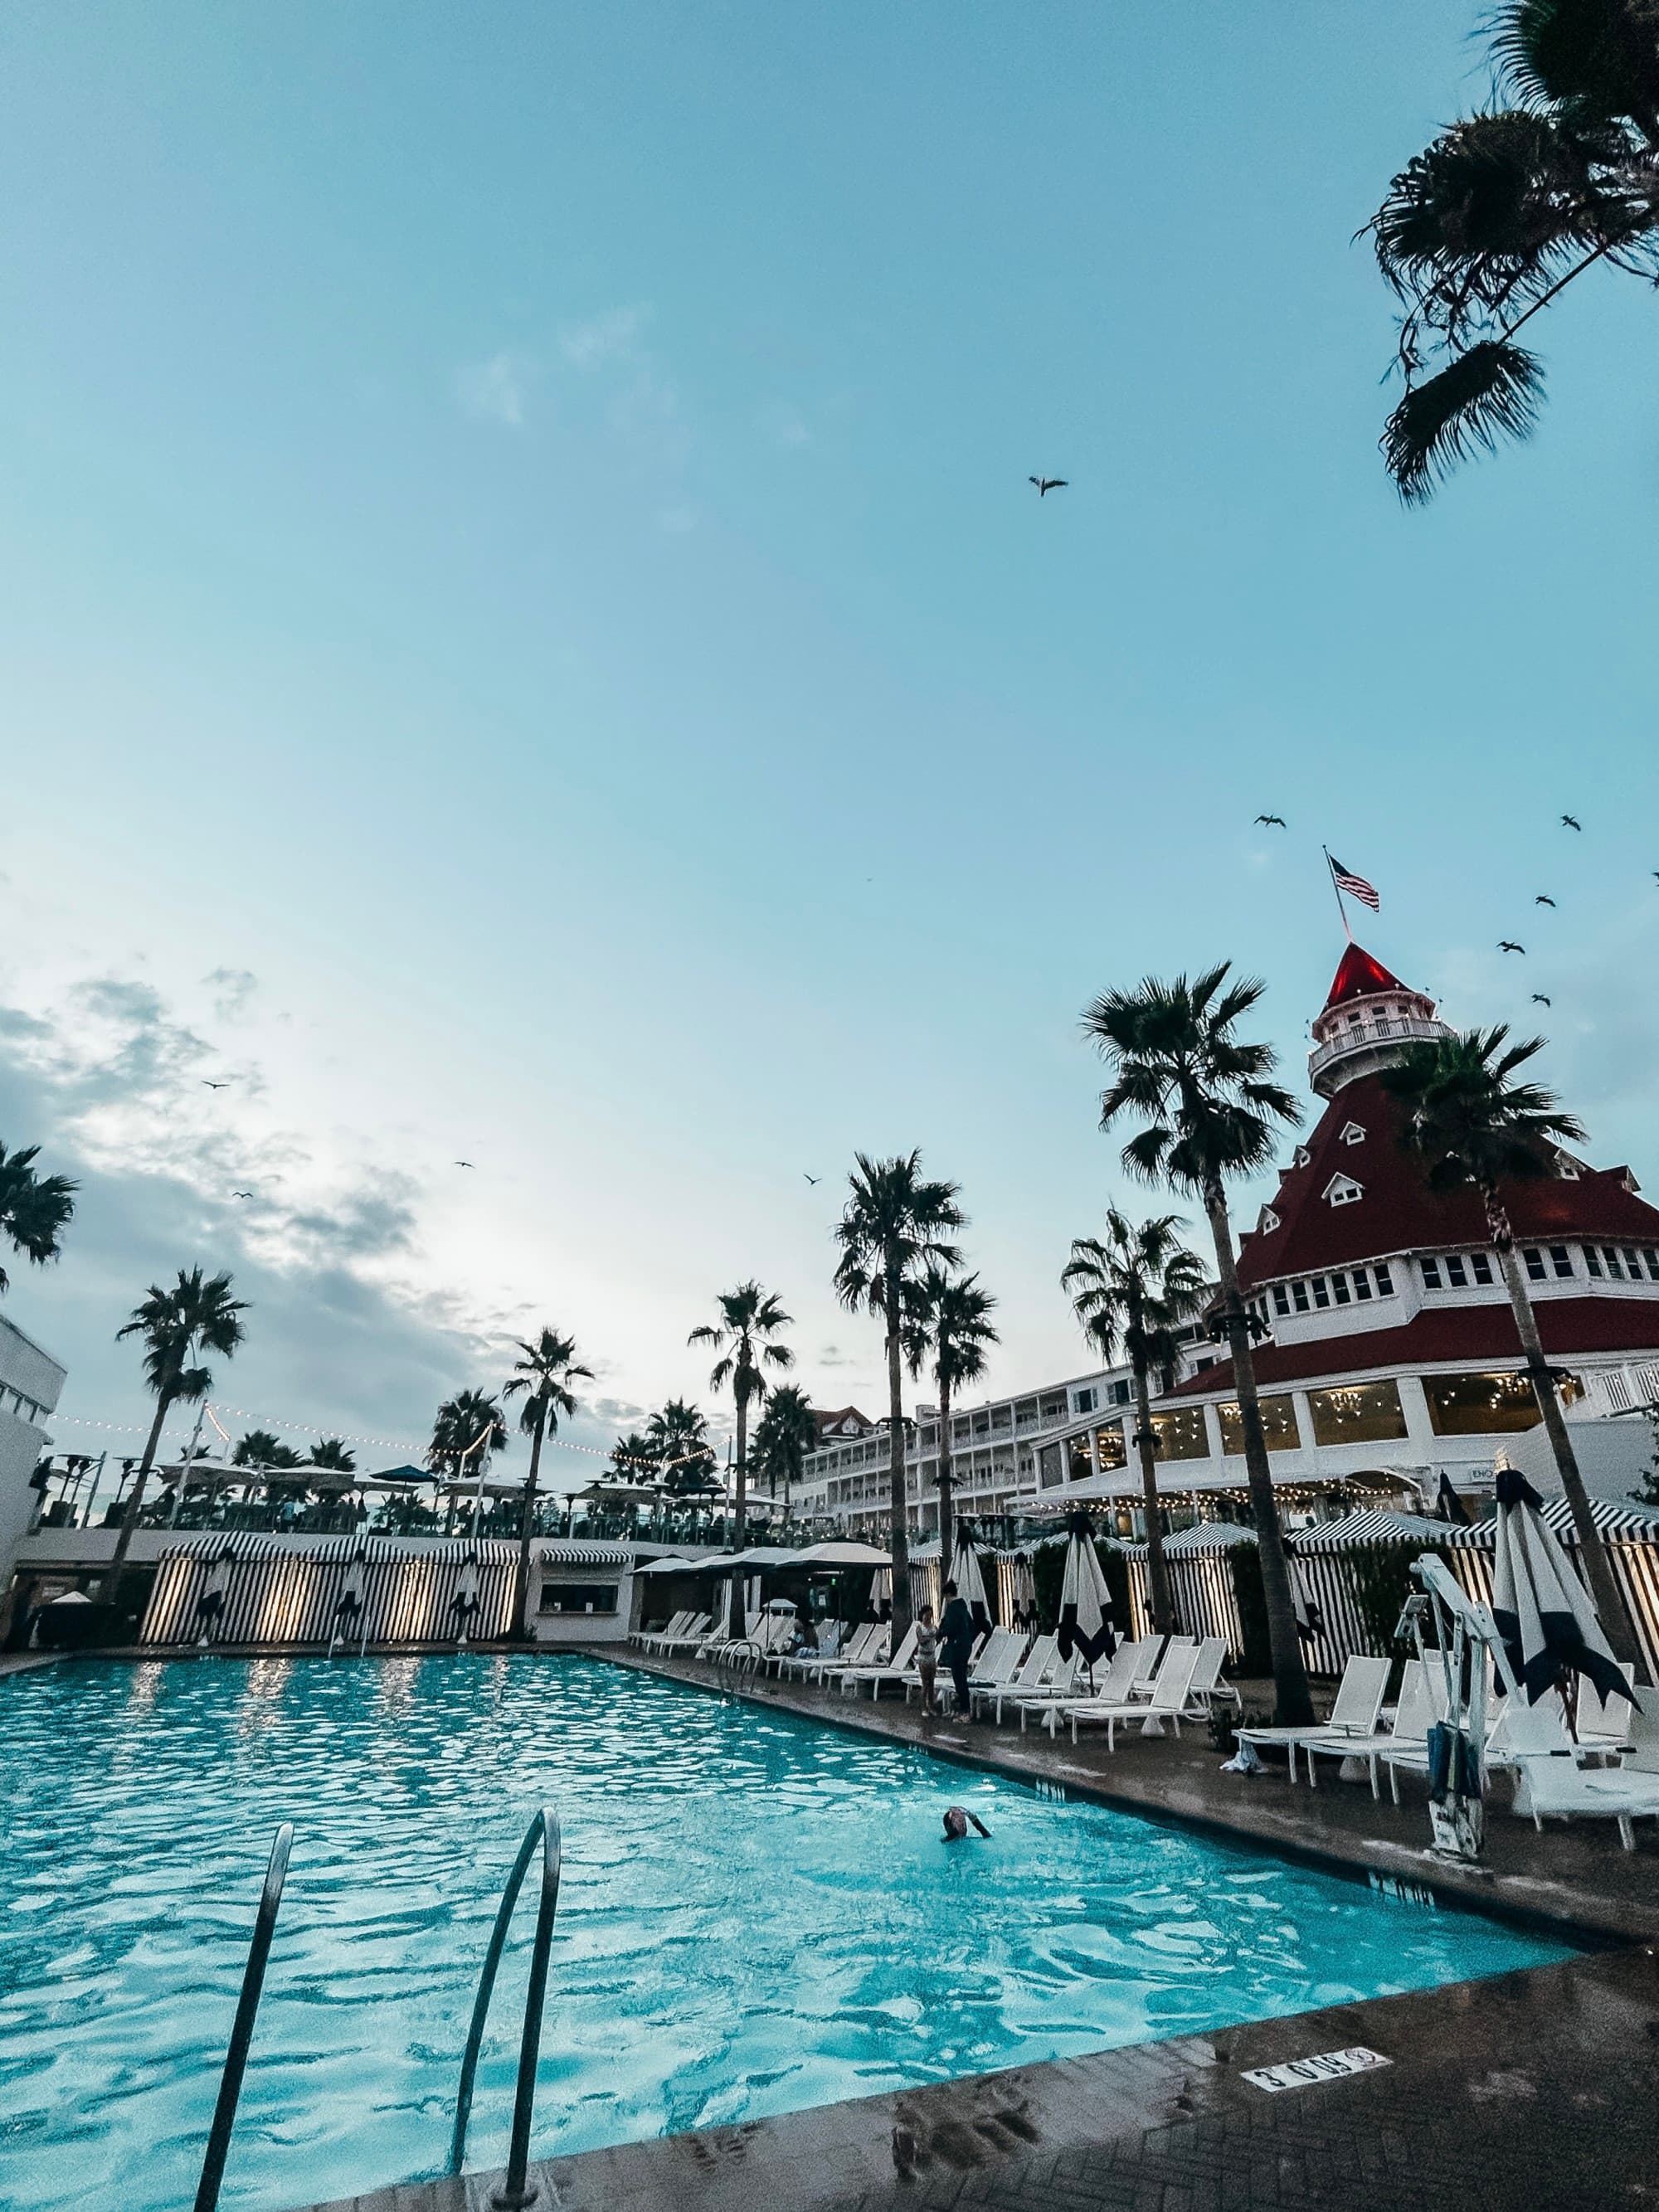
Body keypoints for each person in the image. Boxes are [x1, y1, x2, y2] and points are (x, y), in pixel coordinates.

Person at [939, 1578, 975, 1717]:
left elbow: (950, 1628)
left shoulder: (953, 1609)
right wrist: (968, 1639)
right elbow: (972, 1626)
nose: (946, 1600)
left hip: (958, 1647)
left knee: (959, 1679)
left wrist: (942, 1632)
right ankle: (962, 1708)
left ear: (948, 1595)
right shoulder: (963, 1607)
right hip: (965, 1646)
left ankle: (965, 1711)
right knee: (961, 1678)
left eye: (945, 1597)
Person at [915, 1603, 940, 1715]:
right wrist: (931, 1636)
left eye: (930, 1615)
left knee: (932, 1683)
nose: (928, 1618)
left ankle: (931, 1706)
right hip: (923, 1657)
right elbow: (921, 1641)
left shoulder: (935, 1628)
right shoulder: (920, 1628)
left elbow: (939, 1638)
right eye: (926, 1615)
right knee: (925, 1682)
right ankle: (923, 1707)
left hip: (932, 1656)